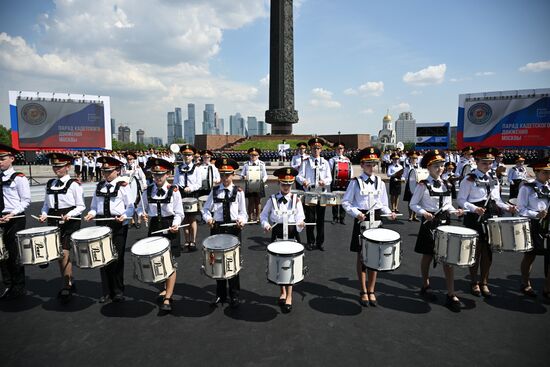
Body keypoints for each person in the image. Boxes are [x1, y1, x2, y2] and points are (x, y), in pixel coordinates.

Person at [409, 150, 464, 311]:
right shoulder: (423, 185)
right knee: (427, 255)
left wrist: (456, 211)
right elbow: (413, 204)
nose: (440, 169)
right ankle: (426, 284)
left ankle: (451, 293)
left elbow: (448, 205)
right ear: (428, 167)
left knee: (448, 258)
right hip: (429, 223)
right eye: (436, 166)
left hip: (445, 222)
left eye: (441, 165)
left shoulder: (448, 184)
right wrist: (423, 213)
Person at [457, 148, 516, 298]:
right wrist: (474, 208)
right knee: (475, 251)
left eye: (490, 163)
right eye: (484, 163)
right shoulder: (469, 179)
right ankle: (474, 282)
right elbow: (461, 200)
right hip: (474, 217)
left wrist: (508, 207)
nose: (488, 165)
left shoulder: (493, 178)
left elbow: (496, 200)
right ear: (476, 162)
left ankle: (484, 282)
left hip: (490, 215)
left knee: (488, 251)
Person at [342, 147, 396, 307]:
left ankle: (371, 289)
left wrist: (390, 213)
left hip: (377, 219)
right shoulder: (355, 182)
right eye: (368, 164)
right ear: (362, 164)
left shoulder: (380, 181)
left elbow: (383, 204)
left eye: (374, 164)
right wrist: (356, 213)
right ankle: (363, 289)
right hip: (362, 219)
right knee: (362, 256)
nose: (371, 167)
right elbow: (346, 202)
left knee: (375, 256)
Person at [84, 156, 134, 303]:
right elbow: (94, 207)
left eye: (108, 171)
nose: (105, 174)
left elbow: (131, 207)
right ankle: (106, 291)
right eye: (104, 171)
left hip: (117, 224)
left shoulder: (124, 186)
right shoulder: (99, 186)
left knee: (117, 258)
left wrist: (124, 216)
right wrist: (91, 214)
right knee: (103, 258)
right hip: (101, 224)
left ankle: (118, 290)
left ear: (117, 170)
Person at [137, 158, 184, 312]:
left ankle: (168, 297)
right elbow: (139, 208)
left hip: (170, 226)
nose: (158, 178)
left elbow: (179, 213)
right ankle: (165, 288)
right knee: (158, 260)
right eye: (155, 175)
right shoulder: (147, 191)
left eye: (161, 175)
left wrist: (176, 224)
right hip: (154, 227)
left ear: (167, 174)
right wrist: (141, 214)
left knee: (170, 262)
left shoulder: (174, 191)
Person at [202, 158, 248, 308]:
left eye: (227, 175)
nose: (225, 178)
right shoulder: (214, 191)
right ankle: (220, 295)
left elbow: (243, 213)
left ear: (233, 174)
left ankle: (234, 295)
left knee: (233, 263)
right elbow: (206, 209)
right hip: (218, 228)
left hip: (234, 229)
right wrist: (208, 219)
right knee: (217, 263)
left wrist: (241, 221)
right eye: (222, 175)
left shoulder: (239, 192)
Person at [39, 153, 85, 302]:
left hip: (69, 220)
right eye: (54, 166)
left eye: (59, 166)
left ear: (67, 167)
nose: (56, 169)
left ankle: (67, 285)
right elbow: (46, 204)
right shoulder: (50, 183)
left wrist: (70, 214)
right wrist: (44, 213)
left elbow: (80, 206)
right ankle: (68, 280)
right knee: (59, 255)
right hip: (53, 218)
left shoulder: (74, 184)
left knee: (64, 253)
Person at [260, 167, 306, 313]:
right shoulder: (272, 199)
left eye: (289, 184)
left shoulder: (296, 199)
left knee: (290, 263)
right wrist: (266, 225)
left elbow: (300, 216)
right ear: (279, 183)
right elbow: (263, 216)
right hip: (277, 233)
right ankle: (282, 292)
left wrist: (301, 223)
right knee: (279, 263)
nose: (286, 187)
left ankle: (290, 296)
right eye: (283, 184)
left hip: (292, 234)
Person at [0, 144, 31, 300]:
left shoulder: (19, 177)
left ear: (11, 159)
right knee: (1, 254)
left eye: (2, 158)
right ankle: (7, 284)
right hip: (0, 217)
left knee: (14, 254)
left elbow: (25, 200)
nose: (0, 161)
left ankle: (19, 286)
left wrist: (12, 214)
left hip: (15, 218)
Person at [517, 157, 550, 301]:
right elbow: (521, 209)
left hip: (548, 225)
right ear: (536, 172)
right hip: (533, 224)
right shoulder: (527, 188)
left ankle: (547, 287)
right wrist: (536, 214)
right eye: (545, 172)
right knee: (530, 256)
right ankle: (526, 283)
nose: (548, 175)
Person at [296, 138, 332, 251]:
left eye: (318, 148)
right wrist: (303, 181)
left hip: (321, 193)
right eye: (314, 148)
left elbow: (329, 178)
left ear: (321, 149)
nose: (316, 150)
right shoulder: (306, 162)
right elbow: (298, 176)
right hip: (310, 193)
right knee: (310, 219)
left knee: (321, 219)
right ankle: (310, 242)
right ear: (310, 149)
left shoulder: (325, 162)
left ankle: (320, 242)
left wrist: (324, 182)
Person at [173, 144, 201, 251]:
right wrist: (176, 187)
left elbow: (198, 184)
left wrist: (191, 188)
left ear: (193, 156)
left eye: (189, 155)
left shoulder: (197, 169)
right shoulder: (178, 168)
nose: (187, 157)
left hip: (192, 194)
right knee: (184, 218)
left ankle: (193, 241)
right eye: (185, 155)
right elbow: (175, 181)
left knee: (192, 218)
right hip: (181, 194)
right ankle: (186, 240)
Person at [240, 147, 267, 222]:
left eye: (255, 155)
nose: (253, 157)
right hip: (250, 185)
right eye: (252, 155)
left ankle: (258, 217)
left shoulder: (262, 164)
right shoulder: (246, 165)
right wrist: (244, 177)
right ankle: (250, 217)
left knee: (258, 202)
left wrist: (262, 181)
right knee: (251, 201)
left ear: (258, 156)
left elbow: (265, 175)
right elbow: (241, 174)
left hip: (259, 184)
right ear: (249, 156)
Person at [329, 142, 351, 224]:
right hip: (335, 182)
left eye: (341, 148)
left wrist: (349, 179)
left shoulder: (347, 160)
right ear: (335, 149)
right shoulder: (332, 160)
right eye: (338, 148)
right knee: (334, 200)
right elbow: (330, 171)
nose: (339, 150)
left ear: (343, 150)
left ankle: (342, 218)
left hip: (345, 182)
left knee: (343, 200)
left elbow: (349, 171)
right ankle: (335, 217)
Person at [403, 151, 420, 221]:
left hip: (417, 184)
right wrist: (403, 179)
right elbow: (404, 175)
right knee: (410, 201)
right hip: (409, 184)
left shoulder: (419, 166)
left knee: (417, 200)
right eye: (412, 158)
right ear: (410, 158)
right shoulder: (407, 167)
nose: (414, 160)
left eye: (415, 158)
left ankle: (415, 216)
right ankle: (410, 216)